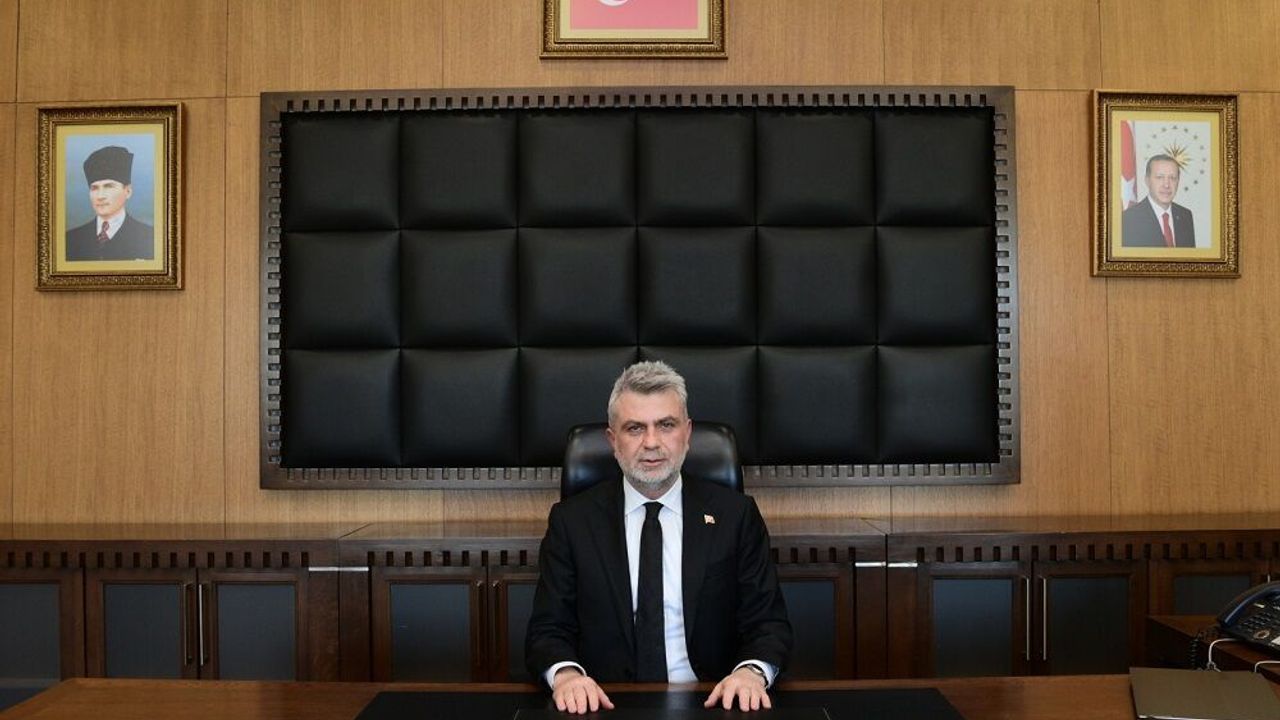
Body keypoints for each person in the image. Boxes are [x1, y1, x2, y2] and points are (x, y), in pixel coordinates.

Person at [526, 361, 792, 715]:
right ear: (613, 440)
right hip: (602, 703)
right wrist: (567, 677)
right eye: (635, 428)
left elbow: (768, 624)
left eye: (666, 425)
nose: (651, 443)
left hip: (712, 700)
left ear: (687, 433)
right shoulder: (572, 522)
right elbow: (547, 629)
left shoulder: (736, 516)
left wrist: (750, 673)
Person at [66, 146, 155, 261]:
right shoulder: (70, 239)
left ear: (128, 191)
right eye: (94, 188)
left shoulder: (149, 237)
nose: (100, 196)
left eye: (109, 186)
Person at [1121, 154, 1196, 248]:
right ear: (1147, 180)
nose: (1166, 185)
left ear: (1178, 181)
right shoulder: (1128, 219)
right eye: (1160, 177)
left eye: (1172, 178)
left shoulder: (1185, 216)